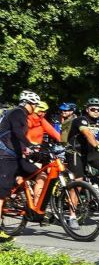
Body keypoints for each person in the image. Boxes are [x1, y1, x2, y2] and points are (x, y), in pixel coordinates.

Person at [0, 91, 43, 241]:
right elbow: (17, 132)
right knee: (1, 193)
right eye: (34, 104)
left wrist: (32, 148)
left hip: (16, 157)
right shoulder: (17, 112)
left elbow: (19, 137)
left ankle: (29, 204)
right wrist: (30, 145)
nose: (35, 107)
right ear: (26, 103)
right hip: (5, 156)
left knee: (39, 173)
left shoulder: (23, 116)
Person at [67, 98, 99, 185]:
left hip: (90, 152)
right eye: (93, 109)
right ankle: (72, 194)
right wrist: (97, 145)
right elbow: (87, 133)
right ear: (87, 109)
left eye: (98, 110)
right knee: (79, 182)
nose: (96, 111)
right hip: (75, 152)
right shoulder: (81, 120)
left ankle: (97, 183)